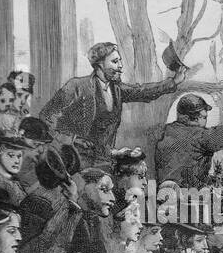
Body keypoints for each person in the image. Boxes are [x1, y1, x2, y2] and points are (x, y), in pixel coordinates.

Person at [37, 42, 185, 168]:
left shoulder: (117, 89)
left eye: (120, 61)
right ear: (99, 64)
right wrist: (71, 140)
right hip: (74, 160)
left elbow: (142, 91)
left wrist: (173, 82)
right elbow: (46, 116)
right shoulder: (77, 86)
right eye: (115, 62)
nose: (121, 66)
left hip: (104, 161)